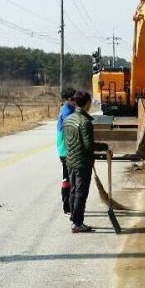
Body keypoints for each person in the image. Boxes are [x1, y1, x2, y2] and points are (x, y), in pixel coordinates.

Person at [63, 91, 109, 233]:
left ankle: (74, 219)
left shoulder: (68, 119)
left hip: (70, 161)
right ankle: (77, 223)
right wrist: (106, 146)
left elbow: (67, 141)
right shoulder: (85, 122)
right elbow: (89, 145)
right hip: (82, 163)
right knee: (81, 193)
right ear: (87, 103)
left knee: (74, 191)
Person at [56, 87, 77, 216]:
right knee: (69, 179)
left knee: (68, 178)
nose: (75, 100)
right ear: (66, 99)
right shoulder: (67, 112)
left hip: (64, 150)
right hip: (67, 150)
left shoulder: (69, 109)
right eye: (72, 98)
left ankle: (68, 206)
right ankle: (67, 207)